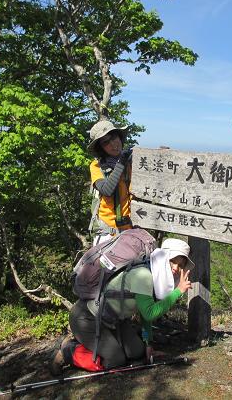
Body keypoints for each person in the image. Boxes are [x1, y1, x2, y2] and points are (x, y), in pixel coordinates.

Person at [50, 238, 195, 375]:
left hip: (114, 320)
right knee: (115, 359)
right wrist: (178, 291)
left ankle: (96, 342)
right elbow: (150, 313)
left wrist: (148, 342)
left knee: (137, 352)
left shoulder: (155, 277)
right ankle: (68, 350)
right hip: (87, 317)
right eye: (172, 261)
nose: (176, 268)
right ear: (163, 257)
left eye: (180, 265)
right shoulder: (143, 275)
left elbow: (145, 317)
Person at [87, 120, 134, 245]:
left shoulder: (131, 162)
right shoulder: (97, 166)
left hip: (131, 228)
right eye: (106, 142)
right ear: (100, 148)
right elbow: (107, 190)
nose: (113, 144)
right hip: (107, 232)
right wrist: (121, 162)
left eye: (113, 137)